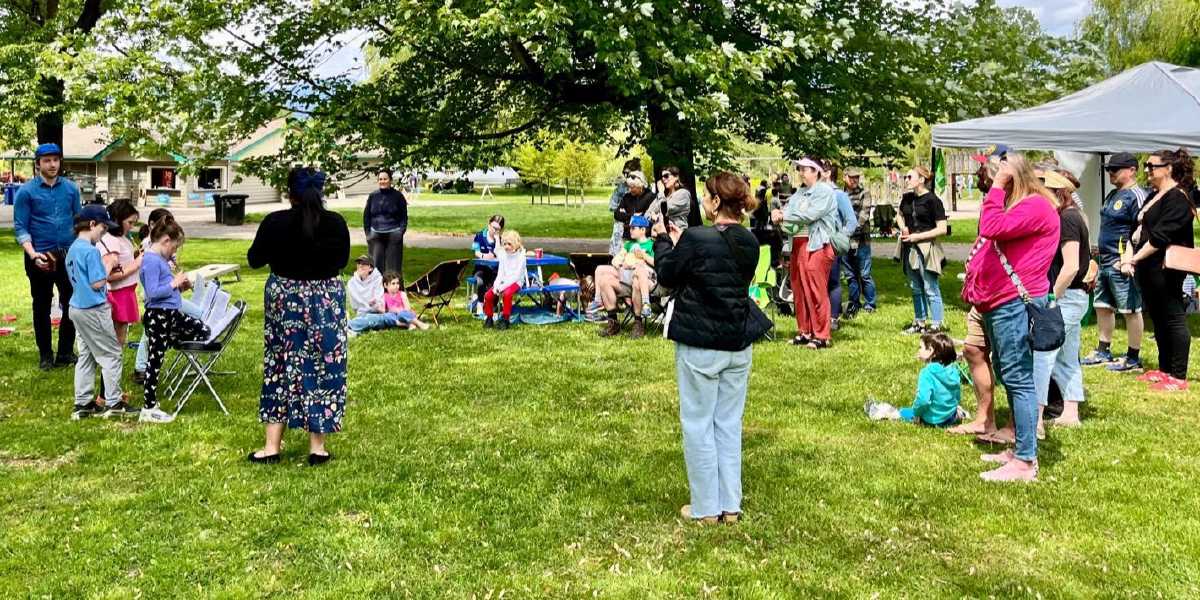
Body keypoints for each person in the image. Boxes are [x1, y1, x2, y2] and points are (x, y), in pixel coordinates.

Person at [651, 171, 772, 525]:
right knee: (729, 424)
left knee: (698, 423)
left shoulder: (696, 237)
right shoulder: (748, 241)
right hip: (737, 342)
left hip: (701, 341)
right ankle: (729, 506)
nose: (703, 202)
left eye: (707, 197)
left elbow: (668, 275)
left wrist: (662, 241)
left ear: (717, 202)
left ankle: (705, 507)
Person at [961, 153, 1059, 482]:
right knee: (1011, 375)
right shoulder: (1023, 206)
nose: (991, 189)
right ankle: (1019, 449)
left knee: (1018, 378)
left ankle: (1026, 461)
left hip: (1013, 304)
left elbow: (989, 227)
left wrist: (999, 187)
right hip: (1000, 302)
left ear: (1012, 178)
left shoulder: (1035, 206)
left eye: (996, 181)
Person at [247, 166, 351, 465]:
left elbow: (255, 260)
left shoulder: (274, 222)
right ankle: (317, 447)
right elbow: (342, 260)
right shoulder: (335, 223)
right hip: (326, 301)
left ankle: (271, 447)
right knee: (323, 364)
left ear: (289, 192)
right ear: (321, 192)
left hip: (285, 301)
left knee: (280, 364)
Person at [1120, 148, 1196, 391]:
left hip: (1166, 269)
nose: (1146, 170)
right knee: (1159, 318)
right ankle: (1164, 370)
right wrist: (1130, 256)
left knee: (1173, 317)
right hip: (1149, 268)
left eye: (1152, 166)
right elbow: (1137, 230)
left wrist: (1133, 260)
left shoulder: (1177, 197)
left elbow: (1160, 236)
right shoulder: (1155, 194)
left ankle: (1178, 375)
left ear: (1169, 169)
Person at [13, 142, 81, 371]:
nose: (52, 164)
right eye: (47, 161)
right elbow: (21, 227)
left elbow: (79, 222)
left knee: (72, 303)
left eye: (55, 160)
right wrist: (33, 255)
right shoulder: (26, 192)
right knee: (41, 305)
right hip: (39, 255)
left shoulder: (71, 189)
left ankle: (64, 352)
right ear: (38, 164)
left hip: (67, 255)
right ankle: (45, 356)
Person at [139, 217, 211, 424]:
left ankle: (171, 340)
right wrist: (174, 283)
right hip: (159, 314)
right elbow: (152, 293)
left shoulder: (160, 260)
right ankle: (149, 406)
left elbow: (165, 287)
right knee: (155, 359)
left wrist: (179, 287)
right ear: (166, 240)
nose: (174, 252)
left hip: (170, 312)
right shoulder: (152, 260)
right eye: (175, 247)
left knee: (202, 330)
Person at [65, 205, 134, 420]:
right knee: (112, 354)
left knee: (86, 355)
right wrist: (109, 265)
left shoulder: (73, 248)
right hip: (93, 308)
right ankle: (114, 402)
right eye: (103, 229)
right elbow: (97, 283)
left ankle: (83, 402)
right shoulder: (91, 251)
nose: (104, 234)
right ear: (92, 225)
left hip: (76, 308)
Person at [1035, 171, 1090, 426]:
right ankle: (1070, 413)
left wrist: (1051, 299)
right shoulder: (1071, 215)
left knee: (1042, 355)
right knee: (1067, 357)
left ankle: (1034, 417)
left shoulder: (1068, 218)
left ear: (1059, 193)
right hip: (1073, 297)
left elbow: (1070, 266)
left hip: (1066, 298)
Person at [1082, 152, 1146, 372]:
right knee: (1102, 306)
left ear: (1131, 171)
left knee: (1130, 309)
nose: (1110, 173)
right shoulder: (1113, 195)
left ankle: (1133, 356)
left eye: (1115, 169)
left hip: (1122, 262)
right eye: (1109, 169)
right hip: (1104, 259)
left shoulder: (1137, 195)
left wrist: (1130, 259)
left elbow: (1142, 229)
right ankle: (1103, 349)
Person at [771, 157, 839, 349]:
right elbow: (789, 212)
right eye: (799, 169)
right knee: (799, 290)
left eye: (805, 169)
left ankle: (822, 335)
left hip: (816, 244)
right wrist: (778, 214)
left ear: (816, 171)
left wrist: (785, 215)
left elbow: (810, 215)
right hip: (797, 244)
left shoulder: (824, 192)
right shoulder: (799, 192)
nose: (801, 172)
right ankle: (805, 331)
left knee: (816, 290)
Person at [864, 332, 962, 426]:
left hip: (933, 420)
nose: (918, 350)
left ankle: (880, 411)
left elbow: (923, 400)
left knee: (903, 412)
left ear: (931, 351)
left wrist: (916, 413)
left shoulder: (927, 373)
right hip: (950, 418)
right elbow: (957, 395)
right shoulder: (953, 370)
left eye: (921, 347)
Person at [896, 166, 948, 334]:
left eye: (910, 177)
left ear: (921, 180)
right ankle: (919, 322)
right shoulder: (907, 198)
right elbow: (899, 215)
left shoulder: (933, 200)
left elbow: (942, 229)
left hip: (927, 248)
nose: (906, 180)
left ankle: (936, 324)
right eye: (906, 177)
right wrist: (903, 227)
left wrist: (918, 237)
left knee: (929, 286)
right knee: (915, 286)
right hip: (909, 247)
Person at [596, 215, 657, 339]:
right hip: (625, 279)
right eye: (630, 228)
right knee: (604, 280)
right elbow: (617, 258)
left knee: (636, 281)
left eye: (633, 228)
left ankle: (638, 322)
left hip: (642, 281)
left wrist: (642, 259)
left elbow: (656, 262)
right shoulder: (629, 244)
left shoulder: (651, 245)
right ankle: (613, 321)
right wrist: (618, 263)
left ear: (643, 230)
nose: (630, 230)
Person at [98, 200, 142, 359]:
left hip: (126, 291)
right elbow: (109, 276)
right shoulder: (111, 240)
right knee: (117, 339)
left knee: (120, 335)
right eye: (129, 222)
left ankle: (113, 371)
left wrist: (135, 257)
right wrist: (136, 264)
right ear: (117, 220)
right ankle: (111, 373)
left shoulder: (122, 237)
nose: (132, 226)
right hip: (118, 292)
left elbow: (124, 261)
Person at [822, 162, 857, 329]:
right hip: (814, 244)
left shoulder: (838, 195)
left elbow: (851, 221)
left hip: (831, 245)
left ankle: (833, 317)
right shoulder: (814, 193)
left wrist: (839, 239)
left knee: (833, 281)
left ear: (827, 173)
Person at [841, 168, 876, 316]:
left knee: (864, 274)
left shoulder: (865, 193)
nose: (855, 180)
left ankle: (870, 304)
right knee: (850, 275)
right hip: (844, 241)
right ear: (844, 177)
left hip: (861, 241)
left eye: (857, 177)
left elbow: (864, 215)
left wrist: (848, 230)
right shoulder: (840, 194)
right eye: (852, 177)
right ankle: (854, 303)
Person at [363, 168, 408, 279]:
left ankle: (394, 292)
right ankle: (377, 291)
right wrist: (368, 233)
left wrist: (400, 232)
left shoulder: (398, 196)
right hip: (376, 235)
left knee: (394, 267)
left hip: (393, 234)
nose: (382, 181)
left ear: (390, 180)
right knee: (376, 267)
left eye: (385, 179)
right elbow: (366, 215)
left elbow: (404, 216)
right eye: (380, 179)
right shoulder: (373, 196)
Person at [483, 230, 526, 330]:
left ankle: (505, 319)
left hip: (516, 281)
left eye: (509, 244)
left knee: (507, 294)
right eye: (505, 244)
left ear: (516, 244)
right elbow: (500, 273)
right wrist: (496, 286)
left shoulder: (521, 256)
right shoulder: (503, 254)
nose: (506, 246)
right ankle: (489, 318)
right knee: (488, 295)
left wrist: (502, 287)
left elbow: (516, 276)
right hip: (504, 281)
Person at [346, 255, 391, 334]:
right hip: (361, 314)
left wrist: (374, 305)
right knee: (365, 319)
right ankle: (352, 325)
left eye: (364, 263)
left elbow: (381, 307)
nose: (360, 265)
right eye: (359, 263)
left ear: (371, 268)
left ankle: (347, 325)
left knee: (371, 319)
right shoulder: (352, 283)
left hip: (376, 314)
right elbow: (355, 306)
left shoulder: (378, 280)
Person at [471, 215, 505, 310]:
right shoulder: (480, 236)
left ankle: (494, 305)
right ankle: (480, 304)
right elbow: (476, 252)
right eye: (493, 227)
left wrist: (497, 239)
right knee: (480, 281)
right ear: (489, 224)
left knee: (497, 283)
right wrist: (484, 256)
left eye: (497, 229)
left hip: (494, 270)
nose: (494, 230)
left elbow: (499, 254)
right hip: (481, 268)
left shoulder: (500, 239)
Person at [608, 159, 640, 255]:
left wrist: (625, 212)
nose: (626, 176)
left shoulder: (643, 188)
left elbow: (639, 212)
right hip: (619, 227)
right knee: (617, 255)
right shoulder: (621, 188)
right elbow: (613, 206)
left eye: (628, 173)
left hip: (634, 228)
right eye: (624, 173)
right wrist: (627, 213)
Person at [614, 171, 656, 242]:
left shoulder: (650, 197)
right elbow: (617, 215)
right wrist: (632, 216)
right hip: (628, 236)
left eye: (633, 187)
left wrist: (626, 215)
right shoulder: (627, 197)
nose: (630, 190)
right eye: (629, 187)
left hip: (644, 238)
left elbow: (647, 218)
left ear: (641, 186)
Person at [645, 166, 692, 231]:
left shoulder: (683, 193)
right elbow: (646, 215)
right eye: (662, 177)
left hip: (677, 234)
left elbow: (665, 209)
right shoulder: (662, 196)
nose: (663, 179)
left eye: (666, 176)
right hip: (660, 234)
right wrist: (654, 218)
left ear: (676, 177)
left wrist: (656, 216)